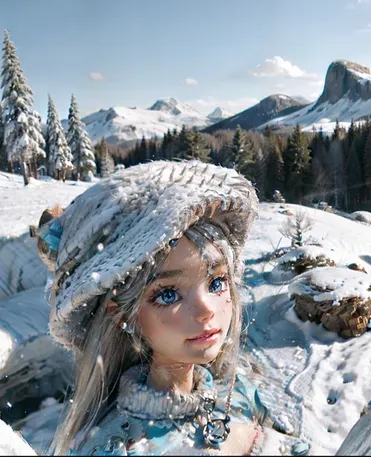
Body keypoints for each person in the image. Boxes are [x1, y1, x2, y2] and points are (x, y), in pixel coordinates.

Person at [35, 160, 285, 456]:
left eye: (217, 282)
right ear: (121, 313)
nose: (206, 309)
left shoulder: (237, 392)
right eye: (168, 295)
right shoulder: (116, 446)